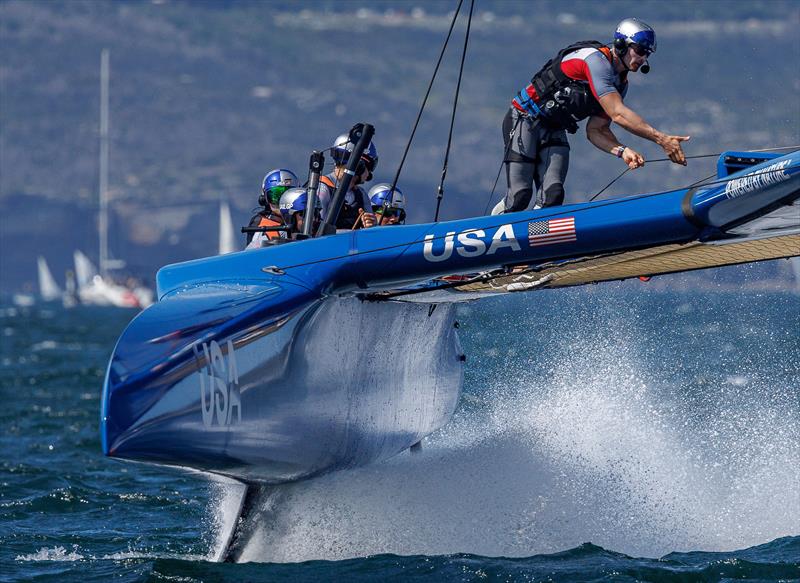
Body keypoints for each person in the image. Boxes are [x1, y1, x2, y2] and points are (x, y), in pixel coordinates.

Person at [494, 18, 690, 214]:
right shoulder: (595, 61)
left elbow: (596, 130)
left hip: (554, 128)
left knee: (552, 196)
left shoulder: (620, 84)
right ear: (621, 44)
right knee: (519, 197)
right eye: (639, 50)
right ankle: (491, 234)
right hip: (524, 118)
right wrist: (662, 139)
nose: (643, 58)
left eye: (647, 53)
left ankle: (535, 239)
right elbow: (618, 113)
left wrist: (622, 151)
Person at [317, 133, 378, 230]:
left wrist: (371, 225)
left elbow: (372, 235)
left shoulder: (361, 194)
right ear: (359, 166)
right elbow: (318, 232)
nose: (369, 174)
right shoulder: (322, 190)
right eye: (369, 167)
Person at [245, 168, 298, 249]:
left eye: (287, 195)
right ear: (265, 199)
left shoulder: (306, 218)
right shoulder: (260, 227)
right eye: (275, 196)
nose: (282, 202)